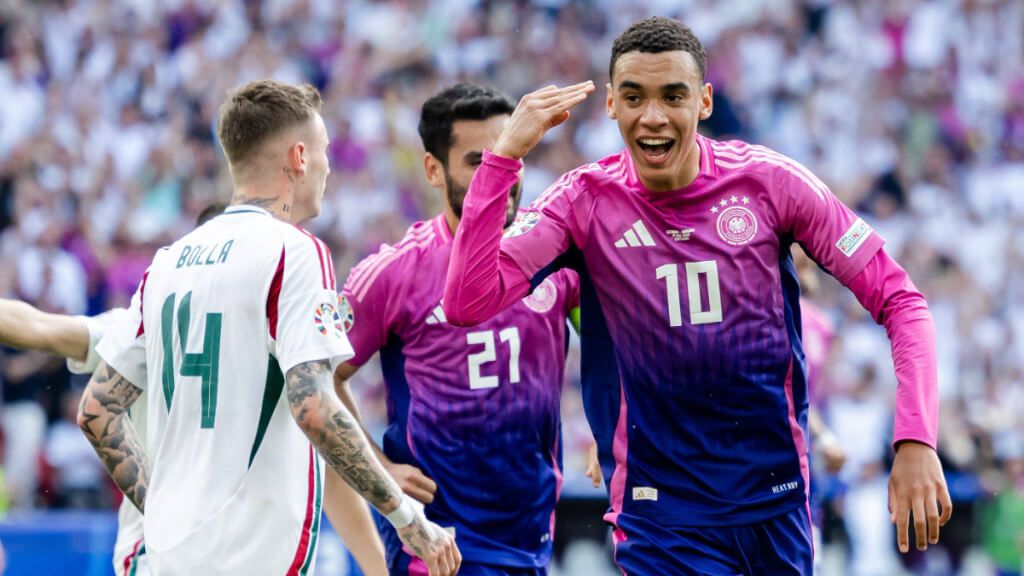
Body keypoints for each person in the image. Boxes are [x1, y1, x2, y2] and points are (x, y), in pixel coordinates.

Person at [443, 16, 951, 574]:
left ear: (704, 101)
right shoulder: (581, 201)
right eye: (633, 97)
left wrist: (916, 438)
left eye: (672, 96)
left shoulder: (770, 183)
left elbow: (901, 300)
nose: (652, 116)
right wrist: (503, 159)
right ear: (611, 104)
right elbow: (467, 302)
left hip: (776, 503)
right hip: (660, 518)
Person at [76, 79, 458, 576]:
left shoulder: (166, 263)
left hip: (170, 557)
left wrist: (164, 510)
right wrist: (407, 519)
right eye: (323, 151)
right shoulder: (294, 251)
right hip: (253, 556)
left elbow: (97, 411)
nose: (328, 167)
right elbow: (314, 406)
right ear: (299, 157)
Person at [0, 204, 389, 576]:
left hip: (198, 553)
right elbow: (40, 330)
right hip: (182, 556)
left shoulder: (151, 321)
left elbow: (41, 328)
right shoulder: (279, 344)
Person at [335, 83, 579, 576]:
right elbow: (318, 378)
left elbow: (613, 339)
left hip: (531, 537)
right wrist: (378, 467)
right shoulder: (392, 274)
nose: (501, 174)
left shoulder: (555, 258)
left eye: (512, 156)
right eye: (479, 162)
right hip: (436, 543)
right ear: (433, 169)